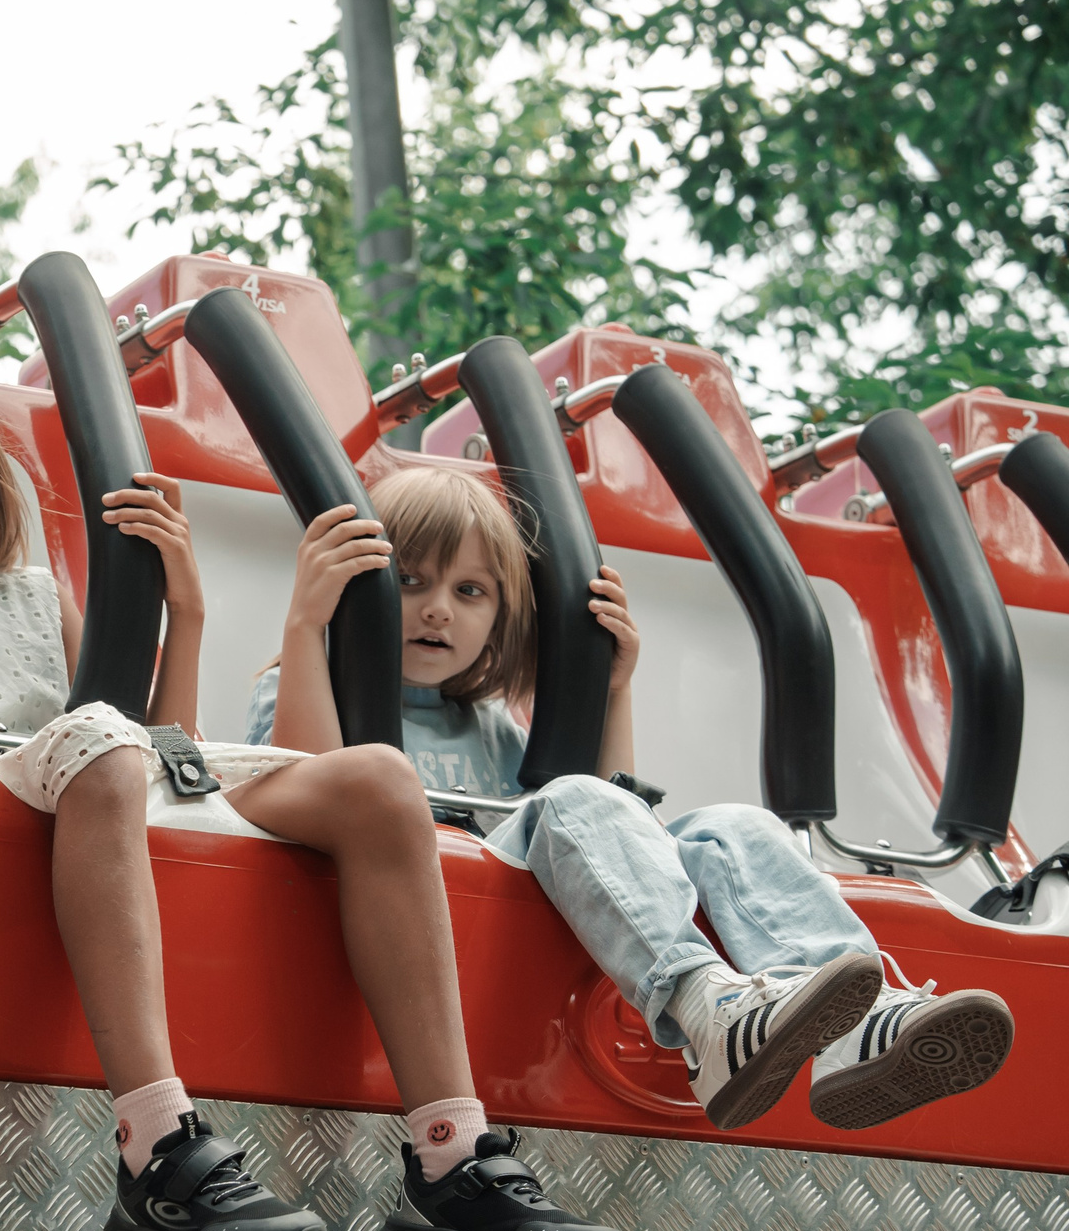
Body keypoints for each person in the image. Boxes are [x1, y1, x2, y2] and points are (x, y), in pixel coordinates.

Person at [0, 316, 634, 1231]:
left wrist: (187, 614)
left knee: (379, 778)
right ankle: (157, 1147)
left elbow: (148, 744)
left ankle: (453, 1161)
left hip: (104, 772)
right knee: (108, 749)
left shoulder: (35, 596)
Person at [254, 464, 1013, 1131]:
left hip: (517, 926)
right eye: (409, 581)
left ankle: (857, 1015)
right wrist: (307, 624)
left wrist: (613, 694)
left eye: (470, 590)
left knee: (733, 826)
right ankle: (703, 1004)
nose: (438, 609)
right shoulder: (306, 685)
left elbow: (616, 826)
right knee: (572, 799)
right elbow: (305, 779)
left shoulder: (489, 728)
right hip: (426, 930)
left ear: (502, 616)